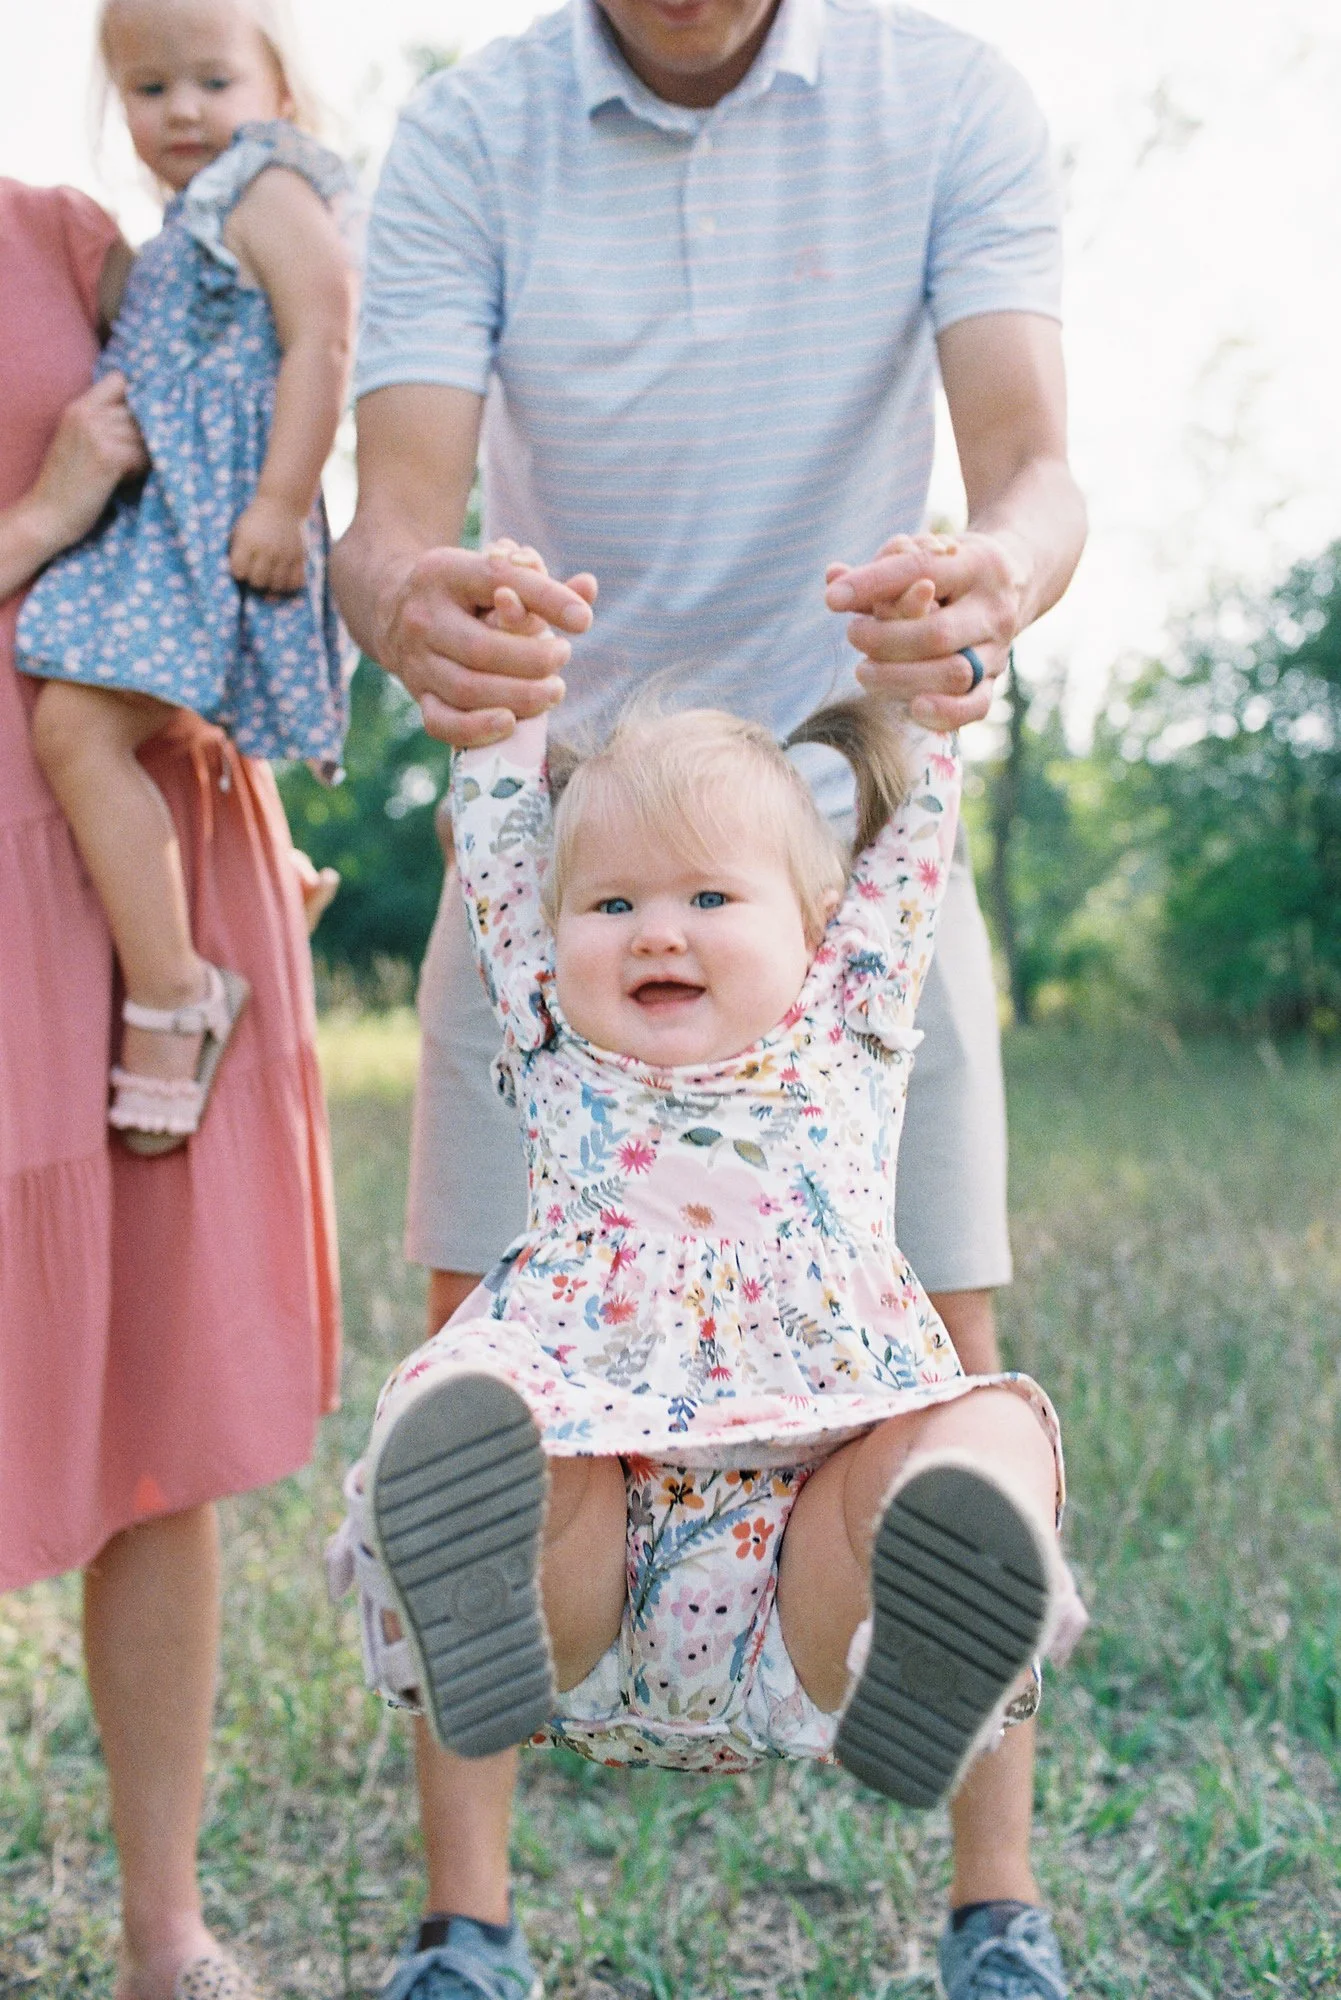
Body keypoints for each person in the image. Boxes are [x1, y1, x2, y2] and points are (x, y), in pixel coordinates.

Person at [332, 4, 1087, 1995]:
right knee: (480, 1388)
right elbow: (390, 521)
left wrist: (979, 592)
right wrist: (422, 611)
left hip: (832, 814)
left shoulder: (946, 100)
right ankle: (464, 1926)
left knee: (954, 1392)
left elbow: (1032, 470)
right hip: (557, 808)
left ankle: (993, 1909)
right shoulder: (467, 130)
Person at [0, 156, 340, 2000]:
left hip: (133, 872)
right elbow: (90, 514)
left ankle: (164, 1933)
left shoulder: (63, 233)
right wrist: (44, 509)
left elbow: (238, 440)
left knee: (153, 1440)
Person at [15, 0, 356, 1154]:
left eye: (213, 80)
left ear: (279, 90)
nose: (183, 111)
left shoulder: (268, 188)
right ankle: (254, 909)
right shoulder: (181, 226)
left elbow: (325, 335)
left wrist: (276, 499)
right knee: (118, 724)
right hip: (171, 527)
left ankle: (179, 988)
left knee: (76, 725)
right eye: (149, 89)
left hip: (218, 524)